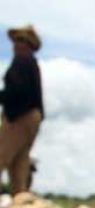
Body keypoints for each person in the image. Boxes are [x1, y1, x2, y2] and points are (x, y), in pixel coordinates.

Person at [0, 25, 43, 195]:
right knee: (19, 164)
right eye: (16, 40)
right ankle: (21, 204)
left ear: (28, 44)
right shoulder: (30, 62)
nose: (16, 44)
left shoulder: (22, 61)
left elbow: (17, 91)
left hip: (20, 116)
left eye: (20, 40)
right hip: (31, 117)